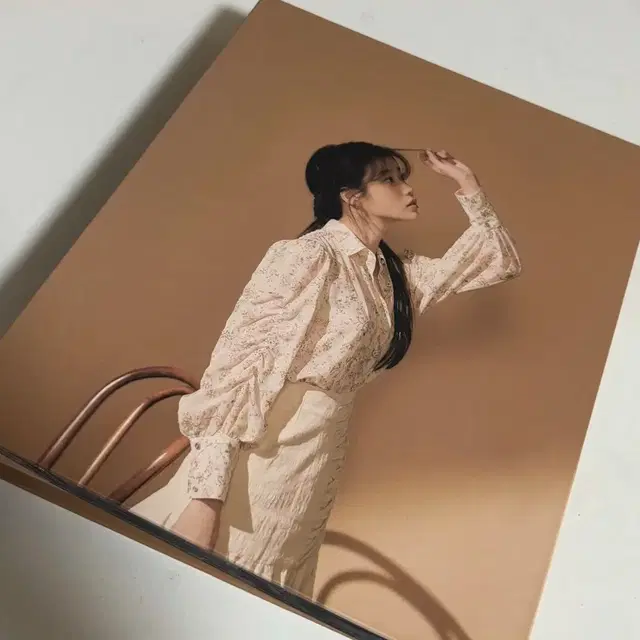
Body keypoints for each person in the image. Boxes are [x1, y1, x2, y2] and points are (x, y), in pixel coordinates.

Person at [130, 141, 522, 597]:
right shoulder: (307, 255)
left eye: (403, 177)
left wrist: (468, 184)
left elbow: (497, 260)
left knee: (269, 587)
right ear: (352, 196)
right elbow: (237, 369)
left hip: (319, 455)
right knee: (208, 581)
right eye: (389, 179)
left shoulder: (394, 275)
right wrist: (206, 498)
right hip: (264, 450)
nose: (407, 188)